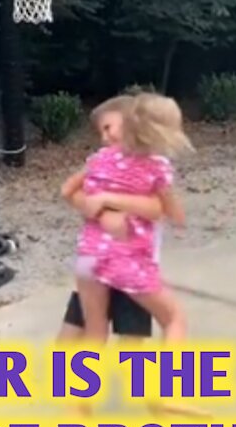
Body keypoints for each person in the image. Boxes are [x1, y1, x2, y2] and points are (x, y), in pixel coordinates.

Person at [61, 92, 191, 344]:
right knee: (174, 319)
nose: (105, 137)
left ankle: (73, 382)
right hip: (128, 261)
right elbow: (168, 213)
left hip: (89, 255)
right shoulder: (156, 165)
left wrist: (101, 205)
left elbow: (68, 190)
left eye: (108, 127)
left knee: (94, 330)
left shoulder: (99, 160)